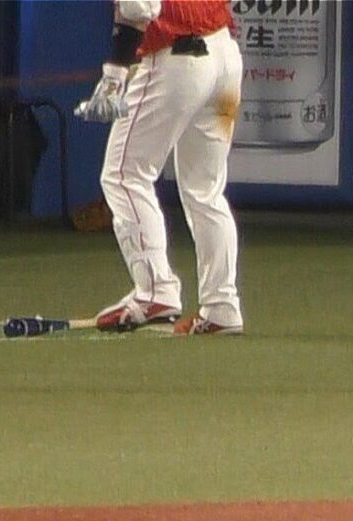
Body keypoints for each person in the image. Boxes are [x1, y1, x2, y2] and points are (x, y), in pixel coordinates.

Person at [76, 0, 244, 335]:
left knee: (123, 175)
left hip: (177, 57)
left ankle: (155, 291)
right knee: (205, 190)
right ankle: (221, 307)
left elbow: (139, 7)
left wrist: (115, 73)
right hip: (224, 56)